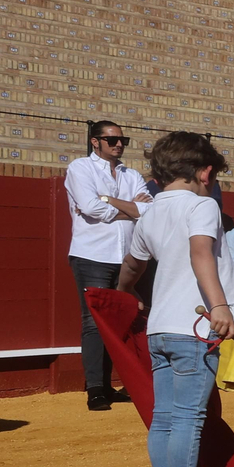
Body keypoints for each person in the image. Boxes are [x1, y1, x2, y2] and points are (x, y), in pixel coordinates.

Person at [114, 132, 234, 467]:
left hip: (160, 329)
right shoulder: (202, 206)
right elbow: (200, 252)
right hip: (194, 326)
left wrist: (125, 293)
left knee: (166, 418)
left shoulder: (148, 212)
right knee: (188, 417)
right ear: (205, 172)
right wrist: (219, 305)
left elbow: (131, 266)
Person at [64, 120, 150, 410]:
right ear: (95, 141)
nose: (118, 144)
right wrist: (129, 209)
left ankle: (111, 383)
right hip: (93, 254)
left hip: (126, 256)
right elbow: (90, 207)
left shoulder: (132, 174)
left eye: (122, 139)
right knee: (93, 322)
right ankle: (95, 389)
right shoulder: (80, 168)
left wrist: (109, 200)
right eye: (111, 139)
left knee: (121, 320)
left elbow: (147, 210)